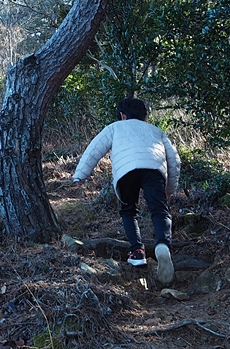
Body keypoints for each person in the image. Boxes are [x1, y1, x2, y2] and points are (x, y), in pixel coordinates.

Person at [73, 97, 181, 284]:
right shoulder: (156, 131)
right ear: (145, 116)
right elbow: (174, 160)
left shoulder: (114, 128)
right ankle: (163, 244)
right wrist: (170, 188)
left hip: (126, 172)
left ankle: (137, 251)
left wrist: (80, 175)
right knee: (159, 211)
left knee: (128, 210)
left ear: (122, 116)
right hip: (153, 171)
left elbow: (94, 150)